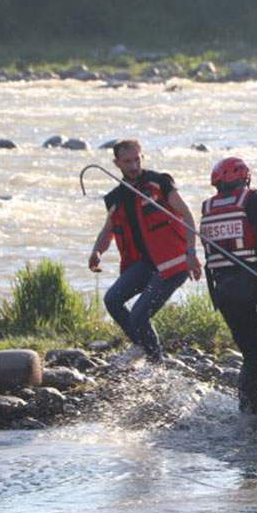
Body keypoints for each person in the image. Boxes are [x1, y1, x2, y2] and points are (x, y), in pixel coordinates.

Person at [89, 139, 201, 363]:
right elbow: (107, 231)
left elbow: (188, 215)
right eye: (127, 161)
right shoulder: (115, 198)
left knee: (140, 314)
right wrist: (96, 252)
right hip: (146, 264)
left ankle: (155, 365)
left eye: (137, 159)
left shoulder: (159, 183)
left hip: (173, 263)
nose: (133, 166)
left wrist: (192, 253)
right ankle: (143, 346)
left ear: (143, 157)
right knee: (112, 300)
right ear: (116, 163)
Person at [199, 156, 257, 415]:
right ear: (246, 178)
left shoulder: (207, 208)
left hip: (224, 294)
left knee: (252, 354)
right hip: (256, 291)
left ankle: (247, 414)